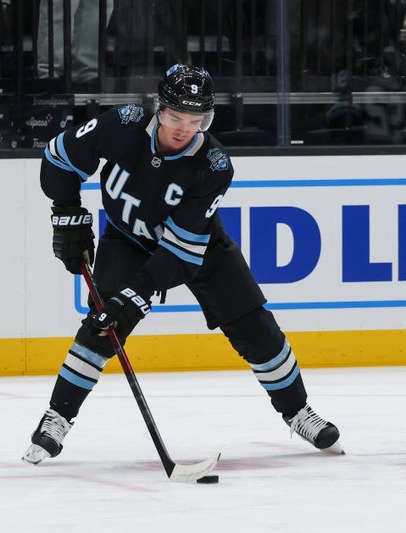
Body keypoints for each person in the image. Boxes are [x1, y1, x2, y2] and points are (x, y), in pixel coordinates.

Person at [22, 64, 343, 465]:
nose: (183, 129)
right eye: (175, 117)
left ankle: (298, 411)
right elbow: (58, 158)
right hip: (127, 239)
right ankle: (56, 418)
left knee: (254, 325)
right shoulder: (123, 124)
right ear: (159, 109)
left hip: (198, 247)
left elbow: (179, 252)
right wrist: (67, 214)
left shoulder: (213, 165)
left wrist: (138, 292)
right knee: (104, 325)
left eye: (196, 120)